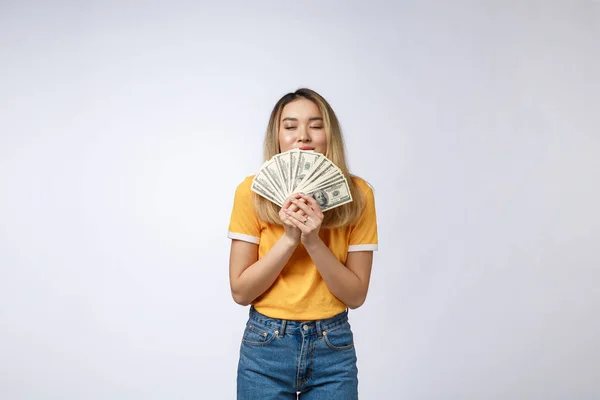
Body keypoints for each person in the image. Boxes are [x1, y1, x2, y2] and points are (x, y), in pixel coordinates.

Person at [227, 88, 378, 399]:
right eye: (291, 126)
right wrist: (290, 237)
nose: (303, 136)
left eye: (316, 125)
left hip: (332, 347)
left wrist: (312, 241)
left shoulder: (359, 195)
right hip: (265, 345)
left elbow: (356, 294)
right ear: (278, 136)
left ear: (329, 134)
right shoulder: (251, 193)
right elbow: (241, 292)